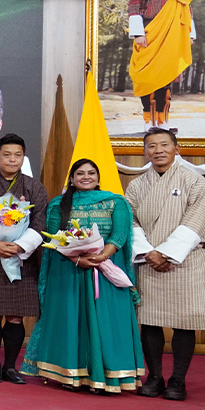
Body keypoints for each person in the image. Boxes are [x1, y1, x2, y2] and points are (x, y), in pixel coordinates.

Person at [22, 159, 146, 393]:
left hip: (107, 272)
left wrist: (101, 257)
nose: (86, 177)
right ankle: (71, 376)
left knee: (106, 323)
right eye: (80, 173)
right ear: (71, 178)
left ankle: (108, 378)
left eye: (91, 173)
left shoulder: (116, 202)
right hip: (67, 272)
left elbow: (119, 234)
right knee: (71, 323)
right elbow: (53, 238)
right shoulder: (58, 204)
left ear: (98, 178)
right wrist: (76, 259)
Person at [125, 128, 205, 401]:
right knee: (150, 321)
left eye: (164, 144)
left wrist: (167, 253)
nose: (158, 150)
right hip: (149, 260)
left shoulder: (193, 181)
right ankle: (154, 377)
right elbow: (129, 220)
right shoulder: (136, 185)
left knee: (185, 321)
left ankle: (178, 380)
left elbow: (198, 219)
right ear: (145, 151)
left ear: (176, 149)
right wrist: (149, 253)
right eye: (152, 146)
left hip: (185, 260)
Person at [0, 133, 48, 384]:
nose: (12, 159)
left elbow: (40, 222)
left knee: (16, 315)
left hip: (22, 258)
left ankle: (11, 367)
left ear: (23, 157)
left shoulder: (34, 187)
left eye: (17, 155)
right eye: (7, 154)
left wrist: (19, 246)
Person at [128, 0, 197, 132]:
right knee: (148, 76)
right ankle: (149, 121)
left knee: (166, 77)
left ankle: (162, 122)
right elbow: (135, 3)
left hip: (174, 34)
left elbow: (186, 8)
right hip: (150, 31)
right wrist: (138, 33)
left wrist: (189, 34)